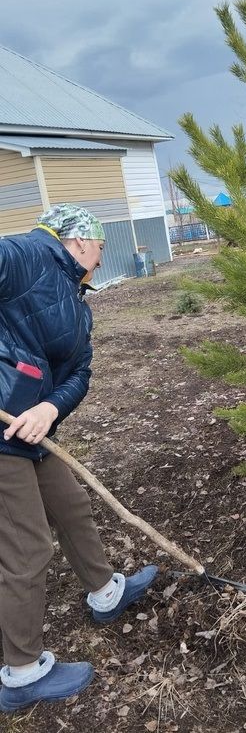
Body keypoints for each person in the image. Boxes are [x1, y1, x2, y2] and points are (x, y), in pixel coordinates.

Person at [0, 204, 158, 714]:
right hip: (2, 434)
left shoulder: (76, 297)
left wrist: (49, 407)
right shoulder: (26, 255)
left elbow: (79, 373)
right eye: (101, 244)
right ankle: (21, 674)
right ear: (80, 240)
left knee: (71, 507)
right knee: (26, 550)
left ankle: (104, 593)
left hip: (34, 429)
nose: (103, 254)